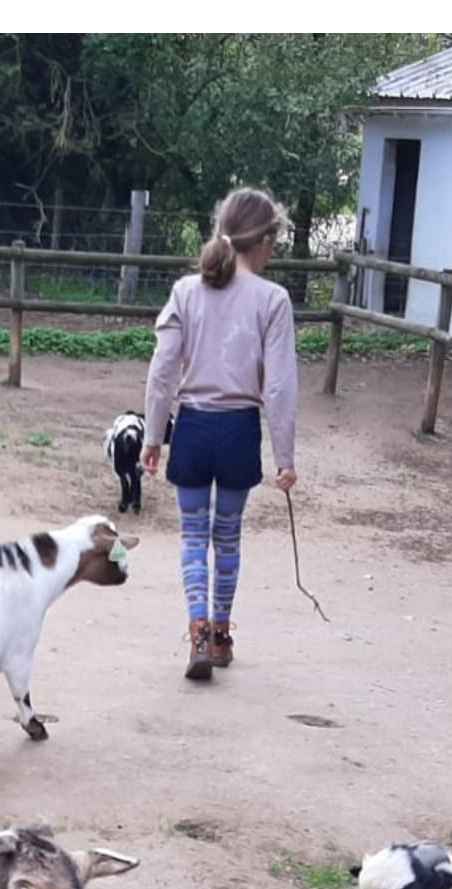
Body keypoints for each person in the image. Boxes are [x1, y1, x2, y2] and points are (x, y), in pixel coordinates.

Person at [141, 186, 300, 681]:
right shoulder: (273, 300)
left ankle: (198, 631)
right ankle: (223, 633)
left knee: (192, 535)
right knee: (227, 537)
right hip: (237, 432)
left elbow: (163, 369)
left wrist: (153, 435)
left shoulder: (186, 292)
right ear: (264, 240)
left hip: (191, 427)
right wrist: (284, 455)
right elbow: (278, 386)